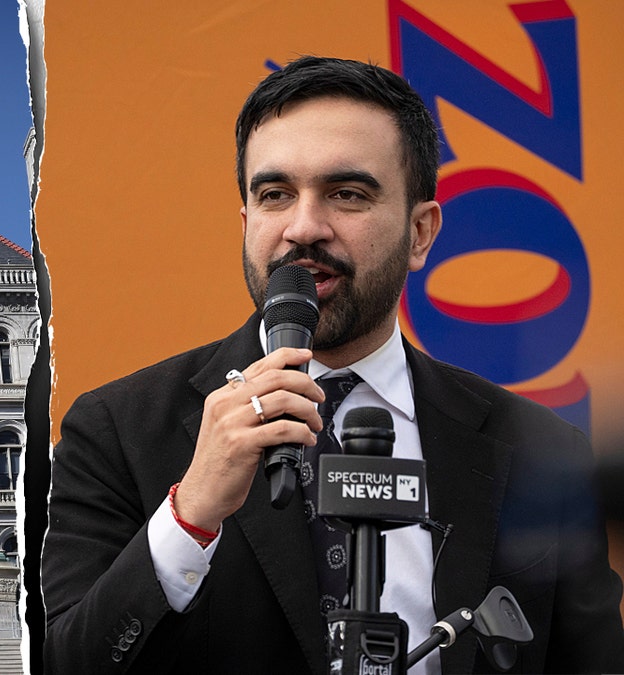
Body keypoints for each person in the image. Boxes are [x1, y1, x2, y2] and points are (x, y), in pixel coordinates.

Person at [40, 56, 624, 674]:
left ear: (421, 232)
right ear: (246, 222)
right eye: (274, 195)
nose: (303, 227)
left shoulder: (540, 450)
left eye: (347, 194)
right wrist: (190, 517)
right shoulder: (117, 430)